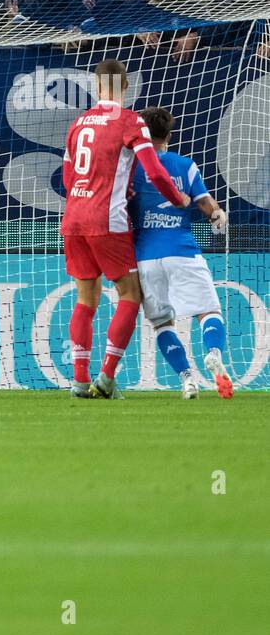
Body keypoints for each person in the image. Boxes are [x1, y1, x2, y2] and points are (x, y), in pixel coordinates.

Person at [60, 58, 189, 400]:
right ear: (127, 86)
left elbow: (67, 178)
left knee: (86, 299)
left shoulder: (78, 123)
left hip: (73, 217)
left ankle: (78, 380)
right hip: (108, 218)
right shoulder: (130, 122)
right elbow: (157, 171)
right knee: (130, 294)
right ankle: (106, 377)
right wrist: (178, 199)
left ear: (96, 86)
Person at [129, 106, 234, 400]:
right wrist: (218, 216)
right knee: (208, 311)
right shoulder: (185, 165)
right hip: (182, 252)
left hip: (146, 257)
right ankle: (212, 352)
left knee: (163, 323)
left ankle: (187, 379)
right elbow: (206, 206)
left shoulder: (132, 169)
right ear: (170, 135)